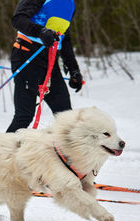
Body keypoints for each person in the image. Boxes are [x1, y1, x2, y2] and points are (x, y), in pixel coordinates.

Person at [6, 0, 84, 133]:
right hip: (27, 56)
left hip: (50, 62)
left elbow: (65, 38)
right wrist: (41, 32)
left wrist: (74, 69)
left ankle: (64, 153)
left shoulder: (69, 4)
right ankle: (4, 152)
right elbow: (18, 19)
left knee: (66, 116)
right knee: (24, 116)